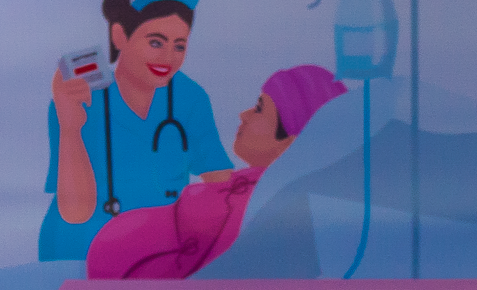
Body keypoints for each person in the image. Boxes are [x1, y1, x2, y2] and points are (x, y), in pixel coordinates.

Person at [86, 64, 346, 278]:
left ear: (292, 139)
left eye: (258, 109)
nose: (244, 115)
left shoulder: (272, 208)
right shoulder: (255, 187)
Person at [42, 0, 232, 260]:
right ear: (120, 36)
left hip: (156, 258)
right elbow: (75, 213)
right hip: (80, 254)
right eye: (155, 42)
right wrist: (71, 128)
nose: (168, 57)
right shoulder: (77, 98)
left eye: (179, 46)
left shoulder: (189, 99)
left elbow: (221, 187)